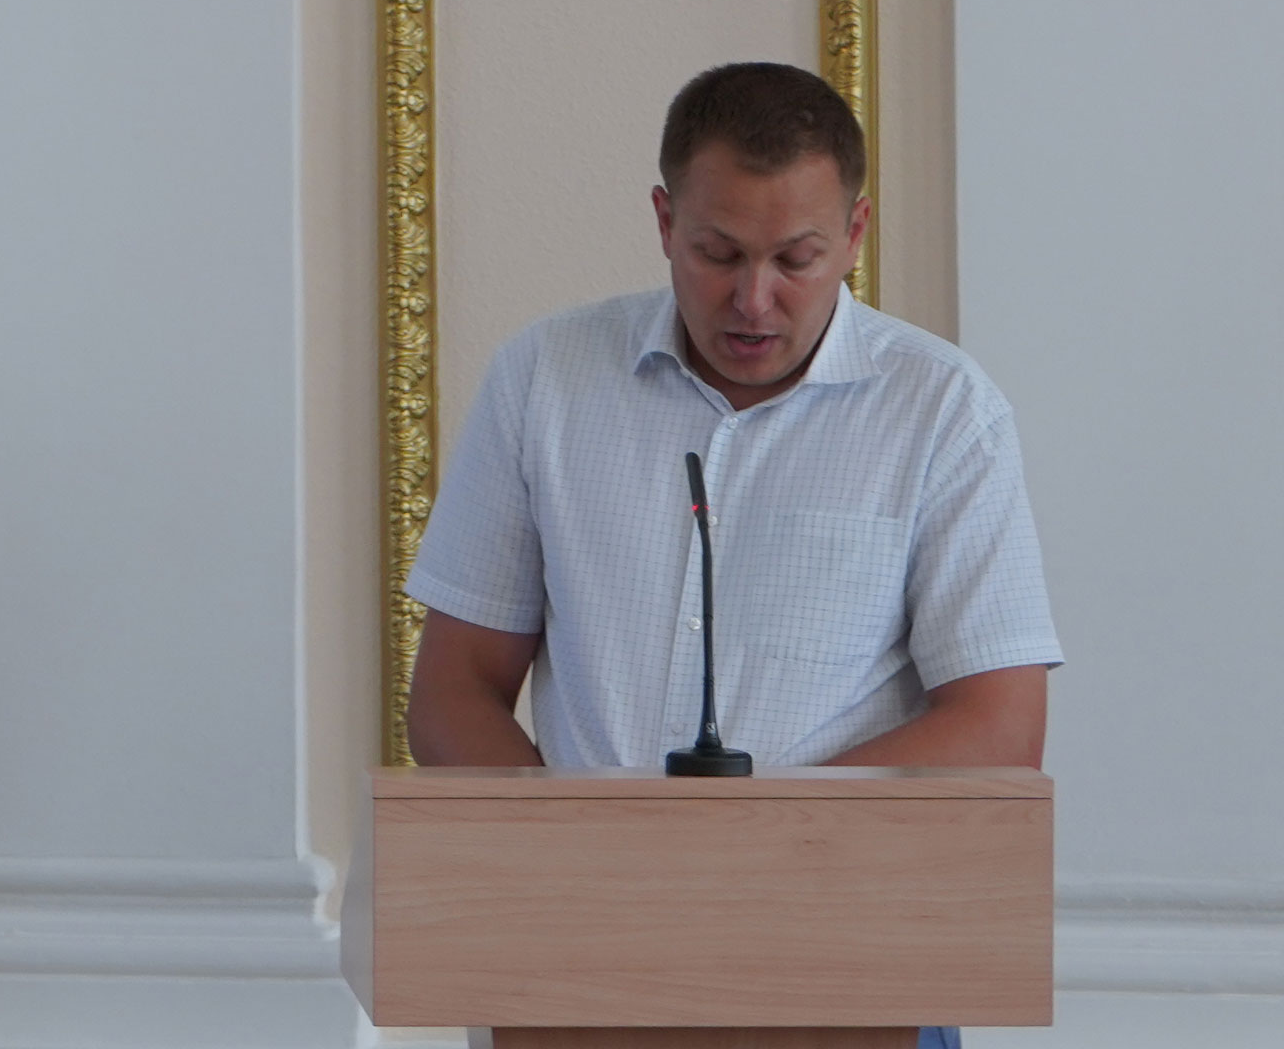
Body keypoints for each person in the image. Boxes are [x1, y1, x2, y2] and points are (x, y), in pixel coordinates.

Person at [405, 63, 1061, 1049]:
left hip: (849, 958)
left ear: (856, 233)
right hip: (584, 962)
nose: (754, 300)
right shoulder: (545, 379)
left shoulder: (943, 410)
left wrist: (740, 854)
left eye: (796, 259)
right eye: (718, 254)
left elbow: (999, 728)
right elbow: (453, 690)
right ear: (665, 221)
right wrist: (572, 856)